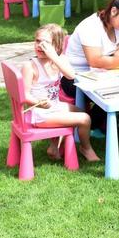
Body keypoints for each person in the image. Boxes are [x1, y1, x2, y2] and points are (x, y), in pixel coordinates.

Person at [62, 0, 119, 131]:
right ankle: (93, 126)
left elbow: (116, 51)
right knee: (115, 88)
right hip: (73, 78)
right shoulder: (90, 27)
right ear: (114, 11)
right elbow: (95, 60)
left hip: (96, 74)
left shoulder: (115, 26)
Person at [21, 24, 100, 162]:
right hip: (39, 114)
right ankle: (85, 148)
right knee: (84, 119)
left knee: (80, 111)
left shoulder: (60, 59)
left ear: (56, 46)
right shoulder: (30, 66)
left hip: (54, 106)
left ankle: (54, 146)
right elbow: (25, 95)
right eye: (38, 41)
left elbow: (70, 75)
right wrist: (38, 103)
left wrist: (53, 56)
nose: (40, 46)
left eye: (46, 43)